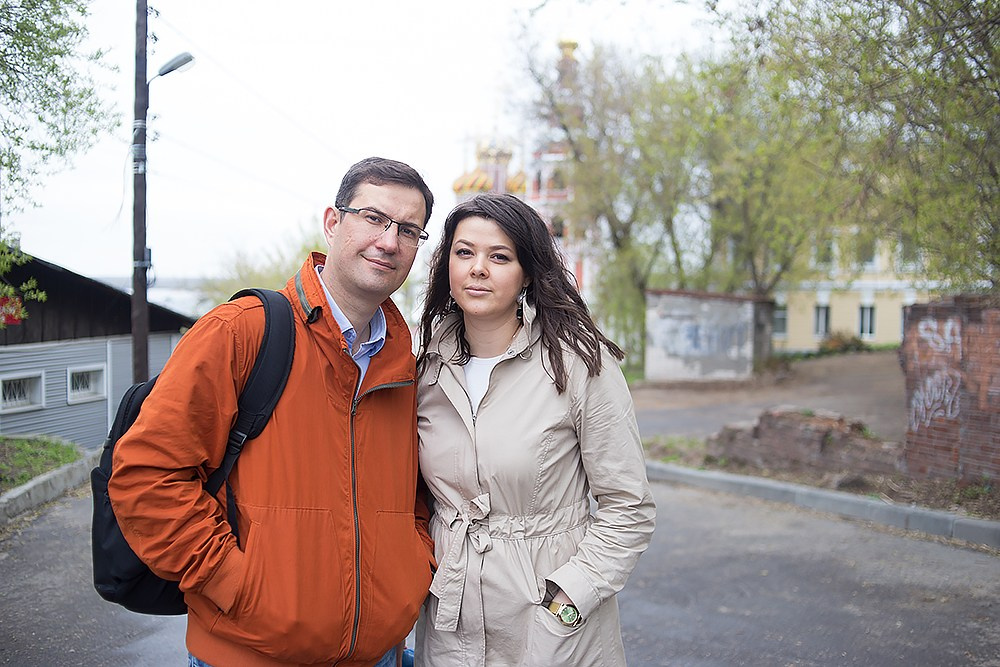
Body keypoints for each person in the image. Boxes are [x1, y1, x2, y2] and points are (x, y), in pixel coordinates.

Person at [108, 157, 437, 667]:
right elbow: (146, 475)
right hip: (248, 653)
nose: (389, 241)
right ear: (333, 222)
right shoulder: (242, 331)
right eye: (373, 218)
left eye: (408, 230)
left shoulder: (404, 366)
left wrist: (411, 571)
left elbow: (414, 497)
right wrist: (234, 583)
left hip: (378, 654)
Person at [413, 193, 656, 666]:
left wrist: (570, 597)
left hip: (550, 621)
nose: (478, 269)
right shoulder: (427, 370)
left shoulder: (578, 364)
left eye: (499, 257)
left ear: (526, 273)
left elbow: (629, 506)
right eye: (464, 253)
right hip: (450, 623)